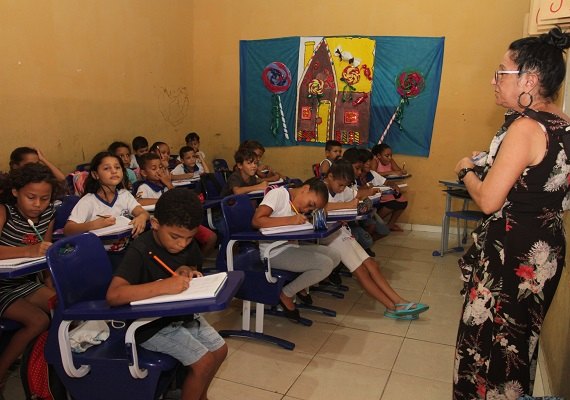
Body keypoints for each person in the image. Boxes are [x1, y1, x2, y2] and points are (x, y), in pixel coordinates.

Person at [452, 27, 570, 399]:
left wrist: (466, 171)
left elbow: (489, 201)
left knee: (489, 344)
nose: (493, 80)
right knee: (518, 344)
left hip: (512, 251)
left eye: (501, 72)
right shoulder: (563, 124)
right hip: (545, 248)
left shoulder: (525, 128)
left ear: (529, 79)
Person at [106, 188, 227, 400]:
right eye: (175, 237)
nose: (182, 244)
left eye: (189, 239)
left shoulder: (184, 243)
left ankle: (200, 396)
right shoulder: (140, 249)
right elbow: (114, 295)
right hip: (147, 325)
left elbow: (188, 264)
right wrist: (164, 286)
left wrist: (186, 272)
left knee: (220, 351)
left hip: (178, 315)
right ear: (155, 224)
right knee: (204, 361)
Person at [322, 160, 428, 319]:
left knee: (372, 264)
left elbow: (358, 195)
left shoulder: (342, 189)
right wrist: (349, 204)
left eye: (345, 186)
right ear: (330, 176)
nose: (343, 189)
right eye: (340, 185)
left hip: (342, 232)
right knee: (361, 271)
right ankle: (391, 308)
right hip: (329, 236)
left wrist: (367, 196)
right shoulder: (320, 188)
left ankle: (399, 301)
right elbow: (322, 207)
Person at [0, 163, 59, 396]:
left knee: (63, 307)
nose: (37, 204)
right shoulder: (4, 212)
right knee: (38, 320)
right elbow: (34, 250)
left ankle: (49, 369)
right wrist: (27, 251)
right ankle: (2, 372)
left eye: (44, 198)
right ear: (15, 192)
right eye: (31, 197)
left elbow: (42, 250)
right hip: (2, 286)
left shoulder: (48, 215)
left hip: (24, 283)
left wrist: (49, 281)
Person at [251, 178, 340, 319]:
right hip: (273, 252)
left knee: (334, 255)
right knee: (324, 264)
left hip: (291, 247)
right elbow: (257, 220)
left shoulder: (296, 206)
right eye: (310, 204)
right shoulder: (278, 195)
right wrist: (290, 220)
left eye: (311, 209)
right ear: (305, 189)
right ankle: (286, 294)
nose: (306, 210)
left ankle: (300, 285)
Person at [63, 151, 149, 256]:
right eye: (107, 168)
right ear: (95, 175)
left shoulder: (124, 194)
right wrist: (93, 225)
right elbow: (68, 230)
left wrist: (142, 217)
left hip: (125, 250)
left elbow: (142, 212)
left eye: (117, 167)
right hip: (98, 254)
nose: (114, 171)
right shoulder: (88, 201)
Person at [359, 148, 408, 232]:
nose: (369, 164)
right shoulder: (354, 176)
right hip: (362, 205)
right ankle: (371, 226)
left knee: (384, 231)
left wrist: (393, 184)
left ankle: (381, 224)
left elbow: (386, 181)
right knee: (393, 203)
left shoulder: (371, 173)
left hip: (371, 202)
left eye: (370, 161)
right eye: (365, 162)